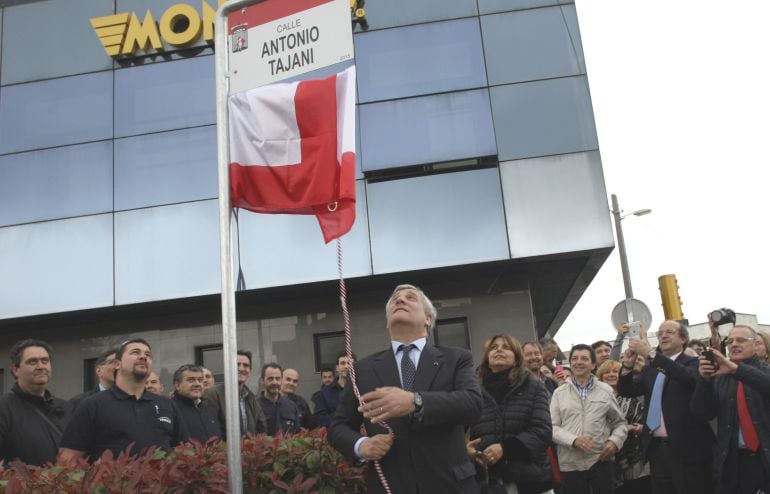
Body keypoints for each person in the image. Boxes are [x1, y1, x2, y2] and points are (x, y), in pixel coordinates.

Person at [329, 284, 483, 494]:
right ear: (386, 323)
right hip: (390, 486)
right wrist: (361, 445)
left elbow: (472, 403)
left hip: (451, 484)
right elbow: (338, 427)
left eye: (410, 298)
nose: (400, 300)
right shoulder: (361, 370)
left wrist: (415, 401)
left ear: (428, 319)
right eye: (395, 299)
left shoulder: (456, 358)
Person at [617, 320, 714, 494]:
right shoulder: (651, 369)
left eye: (669, 332)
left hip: (687, 449)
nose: (663, 335)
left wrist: (652, 355)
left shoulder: (692, 363)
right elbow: (627, 390)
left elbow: (686, 378)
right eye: (660, 332)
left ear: (683, 339)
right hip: (657, 448)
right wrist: (627, 366)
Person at [60, 338, 188, 462]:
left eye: (148, 354)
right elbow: (68, 459)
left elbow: (183, 452)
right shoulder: (92, 405)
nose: (143, 357)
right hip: (112, 483)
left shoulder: (167, 405)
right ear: (117, 364)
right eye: (135, 352)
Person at [468, 335, 554, 494]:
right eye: (494, 347)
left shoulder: (534, 387)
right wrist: (467, 450)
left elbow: (542, 431)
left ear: (516, 357)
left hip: (530, 480)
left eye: (506, 347)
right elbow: (464, 430)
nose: (499, 349)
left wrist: (505, 448)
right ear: (487, 357)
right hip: (489, 482)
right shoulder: (474, 391)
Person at [691, 324, 770, 494]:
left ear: (756, 344)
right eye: (730, 341)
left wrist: (737, 370)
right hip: (735, 462)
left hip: (764, 458)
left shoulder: (766, 371)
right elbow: (702, 412)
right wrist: (704, 381)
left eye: (740, 340)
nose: (734, 344)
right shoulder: (721, 378)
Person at [551, 344, 627, 494]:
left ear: (593, 364)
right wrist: (573, 440)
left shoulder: (606, 390)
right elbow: (552, 427)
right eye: (575, 359)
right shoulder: (559, 393)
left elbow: (620, 423)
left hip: (600, 461)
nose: (579, 362)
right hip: (570, 464)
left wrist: (615, 442)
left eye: (584, 358)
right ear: (570, 363)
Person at [0, 339, 72, 466]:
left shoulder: (67, 408)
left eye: (45, 361)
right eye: (32, 362)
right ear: (16, 370)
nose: (41, 366)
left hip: (65, 484)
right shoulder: (4, 408)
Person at [597, 360, 650, 494]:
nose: (611, 375)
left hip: (637, 453)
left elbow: (648, 417)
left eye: (615, 371)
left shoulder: (637, 393)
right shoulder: (598, 399)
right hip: (613, 455)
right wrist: (625, 429)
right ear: (601, 377)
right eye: (607, 372)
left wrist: (642, 427)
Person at [205, 349, 267, 437]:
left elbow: (262, 427)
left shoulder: (251, 397)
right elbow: (211, 429)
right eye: (237, 364)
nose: (241, 368)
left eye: (245, 365)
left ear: (250, 371)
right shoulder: (214, 395)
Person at [171, 364, 221, 443]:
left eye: (200, 380)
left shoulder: (210, 410)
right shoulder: (170, 409)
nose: (197, 384)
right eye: (191, 380)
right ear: (177, 385)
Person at [313, 352, 356, 428]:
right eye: (342, 363)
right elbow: (319, 420)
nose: (346, 366)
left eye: (349, 363)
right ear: (337, 367)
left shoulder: (362, 389)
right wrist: (343, 414)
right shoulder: (323, 394)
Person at [257, 363, 299, 436]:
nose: (275, 382)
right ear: (262, 380)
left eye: (278, 378)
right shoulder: (255, 406)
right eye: (270, 379)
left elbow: (297, 433)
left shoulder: (291, 406)